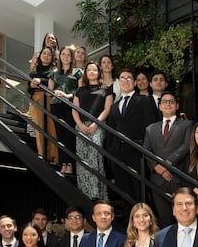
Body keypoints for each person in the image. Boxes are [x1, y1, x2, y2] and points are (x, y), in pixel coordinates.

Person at [107, 68, 161, 200]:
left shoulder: (144, 100)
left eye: (129, 78)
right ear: (119, 83)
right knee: (123, 191)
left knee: (139, 191)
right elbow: (110, 132)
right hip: (118, 154)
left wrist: (147, 151)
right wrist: (111, 152)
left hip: (137, 152)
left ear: (135, 82)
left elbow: (151, 127)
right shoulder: (114, 106)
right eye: (122, 78)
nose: (125, 81)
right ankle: (127, 218)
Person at [143, 91, 193, 227]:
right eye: (164, 102)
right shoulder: (150, 129)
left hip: (178, 177)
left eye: (171, 102)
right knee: (164, 220)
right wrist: (157, 167)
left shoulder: (187, 125)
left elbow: (186, 146)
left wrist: (168, 164)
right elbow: (146, 151)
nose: (168, 104)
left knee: (183, 219)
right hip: (157, 180)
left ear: (177, 106)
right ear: (160, 106)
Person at [72, 61, 112, 199]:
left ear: (99, 72)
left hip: (98, 126)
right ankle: (84, 193)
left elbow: (107, 109)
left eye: (94, 70)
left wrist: (95, 124)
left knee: (95, 157)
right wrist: (80, 125)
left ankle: (97, 194)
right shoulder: (80, 90)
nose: (91, 72)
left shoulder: (106, 89)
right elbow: (75, 110)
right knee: (82, 160)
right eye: (89, 70)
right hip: (81, 126)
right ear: (86, 73)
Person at [50, 46, 79, 175]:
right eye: (63, 54)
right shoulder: (54, 73)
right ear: (59, 56)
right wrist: (55, 93)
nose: (65, 57)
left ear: (72, 57)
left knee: (70, 135)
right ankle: (64, 163)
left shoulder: (78, 72)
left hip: (70, 105)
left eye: (68, 55)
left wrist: (67, 95)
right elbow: (49, 91)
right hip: (56, 105)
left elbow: (80, 91)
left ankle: (71, 164)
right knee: (60, 135)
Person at [28, 46, 58, 164]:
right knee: (39, 127)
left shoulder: (54, 71)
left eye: (49, 54)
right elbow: (28, 88)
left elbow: (55, 83)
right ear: (40, 56)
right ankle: (42, 154)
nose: (46, 56)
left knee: (52, 128)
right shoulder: (33, 72)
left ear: (52, 58)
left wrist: (41, 81)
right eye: (44, 53)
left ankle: (54, 157)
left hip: (49, 98)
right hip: (36, 98)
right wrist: (31, 85)